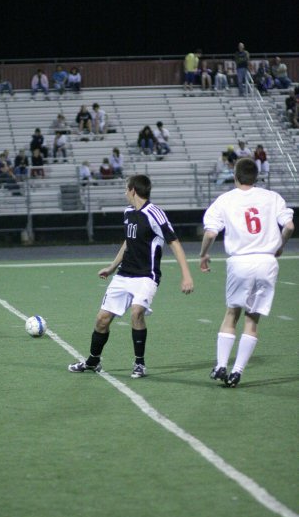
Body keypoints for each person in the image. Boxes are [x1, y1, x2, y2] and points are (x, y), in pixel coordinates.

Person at [68, 174, 194, 378]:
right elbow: (128, 242)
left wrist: (186, 276)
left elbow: (175, 243)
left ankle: (139, 364)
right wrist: (111, 267)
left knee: (136, 312)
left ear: (133, 190)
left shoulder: (155, 214)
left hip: (147, 276)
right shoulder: (128, 213)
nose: (125, 192)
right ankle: (93, 361)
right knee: (102, 319)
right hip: (124, 275)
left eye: (126, 189)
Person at [200, 157, 294, 387]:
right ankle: (237, 373)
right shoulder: (272, 197)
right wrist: (280, 246)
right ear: (257, 176)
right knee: (252, 321)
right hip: (266, 261)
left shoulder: (225, 200)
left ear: (235, 174)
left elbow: (211, 233)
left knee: (232, 314)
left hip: (240, 261)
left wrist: (203, 254)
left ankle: (221, 365)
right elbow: (290, 226)